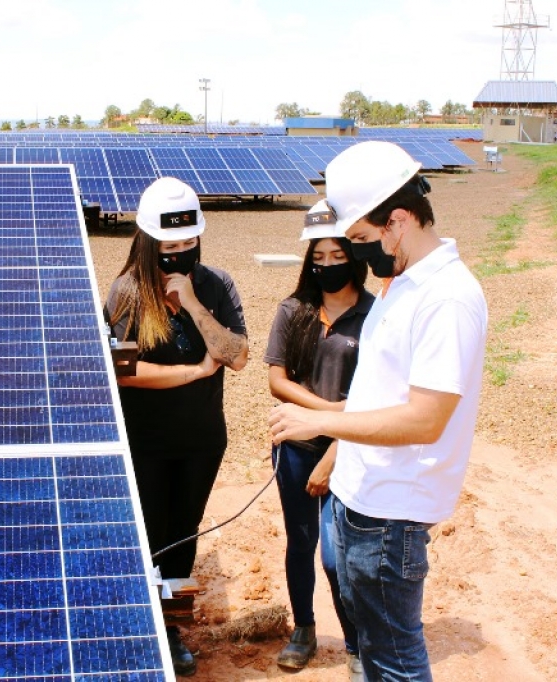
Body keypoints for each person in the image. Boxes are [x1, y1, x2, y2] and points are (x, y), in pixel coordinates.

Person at [268, 141, 488, 682]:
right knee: (371, 644)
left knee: (395, 658)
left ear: (399, 220)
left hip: (392, 515)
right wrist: (338, 457)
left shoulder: (447, 298)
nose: (358, 256)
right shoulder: (404, 285)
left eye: (361, 241)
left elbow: (424, 419)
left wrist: (321, 422)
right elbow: (377, 393)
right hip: (361, 497)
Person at [105, 177, 249, 676]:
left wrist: (190, 302)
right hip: (144, 442)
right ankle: (141, 622)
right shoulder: (126, 293)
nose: (181, 255)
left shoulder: (216, 284)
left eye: (189, 244)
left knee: (183, 535)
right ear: (148, 244)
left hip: (201, 441)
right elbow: (123, 374)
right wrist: (192, 372)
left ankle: (171, 628)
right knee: (146, 533)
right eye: (170, 248)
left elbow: (237, 357)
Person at [264, 200, 372, 681]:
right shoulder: (294, 310)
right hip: (294, 448)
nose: (327, 264)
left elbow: (378, 398)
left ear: (355, 254)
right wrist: (328, 413)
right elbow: (277, 379)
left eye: (337, 254)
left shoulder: (375, 314)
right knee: (300, 542)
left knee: (336, 554)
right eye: (318, 256)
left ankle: (354, 641)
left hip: (348, 449)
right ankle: (303, 630)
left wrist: (334, 432)